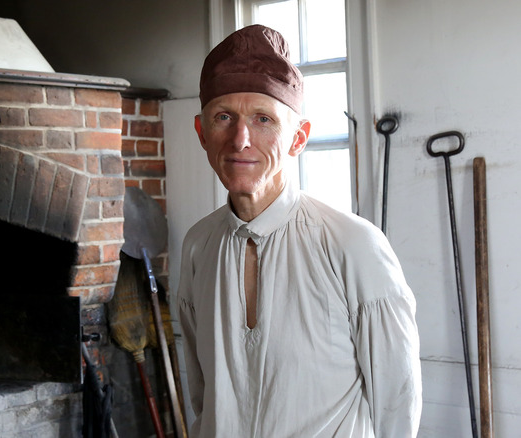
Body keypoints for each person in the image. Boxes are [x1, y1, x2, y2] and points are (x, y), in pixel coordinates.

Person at [177, 25, 422, 437]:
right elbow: (203, 396)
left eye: (263, 120)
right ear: (202, 133)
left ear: (298, 138)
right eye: (224, 117)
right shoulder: (198, 245)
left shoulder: (353, 246)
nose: (241, 139)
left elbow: (397, 402)